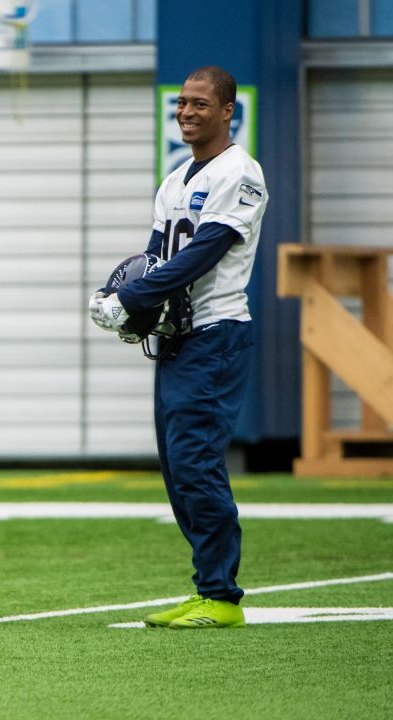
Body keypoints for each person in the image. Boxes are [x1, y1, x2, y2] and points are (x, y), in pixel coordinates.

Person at [89, 66, 267, 629]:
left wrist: (133, 296)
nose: (187, 112)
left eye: (199, 104)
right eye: (182, 104)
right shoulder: (174, 180)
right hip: (177, 341)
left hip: (215, 334)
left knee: (196, 461)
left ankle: (220, 595)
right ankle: (207, 586)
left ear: (226, 111)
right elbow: (156, 257)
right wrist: (118, 295)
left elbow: (205, 253)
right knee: (177, 467)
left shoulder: (241, 173)